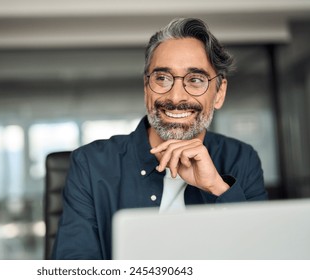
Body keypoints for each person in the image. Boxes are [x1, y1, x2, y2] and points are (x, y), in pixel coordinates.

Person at [51, 17, 268, 260]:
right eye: (162, 78)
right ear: (146, 89)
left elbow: (261, 259)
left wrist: (217, 188)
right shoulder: (90, 163)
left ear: (219, 93)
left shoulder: (242, 159)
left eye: (195, 80)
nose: (176, 97)